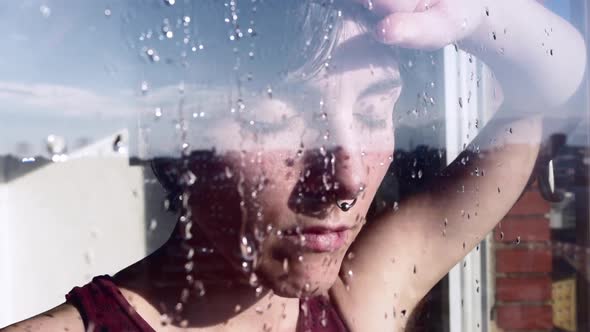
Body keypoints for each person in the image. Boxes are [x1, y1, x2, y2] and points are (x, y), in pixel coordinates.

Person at [1, 0, 586, 331]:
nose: (348, 178)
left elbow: (550, 82)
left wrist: (469, 13)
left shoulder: (357, 298)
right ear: (173, 134)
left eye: (373, 108)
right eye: (277, 120)